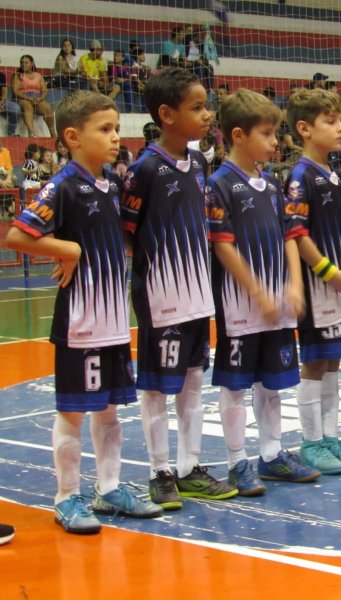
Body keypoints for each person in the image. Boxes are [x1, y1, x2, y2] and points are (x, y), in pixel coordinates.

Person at [5, 91, 163, 534]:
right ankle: (66, 497)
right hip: (81, 322)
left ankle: (109, 488)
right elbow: (17, 235)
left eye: (116, 128)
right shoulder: (63, 185)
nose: (116, 138)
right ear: (72, 137)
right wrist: (66, 247)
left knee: (110, 410)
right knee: (73, 411)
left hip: (112, 320)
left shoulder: (111, 183)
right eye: (105, 130)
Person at [121, 68, 238, 509]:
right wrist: (155, 272)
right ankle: (160, 473)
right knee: (156, 387)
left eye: (207, 106)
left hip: (198, 296)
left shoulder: (201, 163)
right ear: (166, 115)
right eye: (197, 107)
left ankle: (189, 468)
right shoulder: (144, 169)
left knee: (192, 383)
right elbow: (126, 230)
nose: (208, 115)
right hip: (161, 298)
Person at [208, 89, 321, 489]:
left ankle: (271, 453)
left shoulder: (272, 185)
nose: (276, 142)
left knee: (272, 382)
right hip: (242, 307)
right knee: (235, 384)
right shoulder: (219, 184)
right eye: (268, 133)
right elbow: (223, 246)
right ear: (238, 135)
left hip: (277, 303)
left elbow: (291, 236)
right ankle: (237, 462)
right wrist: (257, 293)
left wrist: (293, 284)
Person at [284, 88, 341, 474]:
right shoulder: (300, 177)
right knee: (316, 362)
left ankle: (332, 437)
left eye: (340, 120)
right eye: (330, 122)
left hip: (340, 281)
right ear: (304, 129)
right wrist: (328, 272)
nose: (340, 128)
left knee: (334, 362)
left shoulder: (334, 174)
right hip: (320, 286)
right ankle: (311, 441)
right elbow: (297, 234)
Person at [12, 55, 56, 137]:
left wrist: (40, 98)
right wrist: (29, 98)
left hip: (36, 98)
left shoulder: (38, 76)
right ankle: (31, 133)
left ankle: (53, 133)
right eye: (22, 62)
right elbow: (15, 91)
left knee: (47, 107)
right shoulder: (18, 75)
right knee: (27, 106)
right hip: (22, 98)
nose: (23, 64)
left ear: (32, 64)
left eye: (26, 62)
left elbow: (45, 91)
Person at [0, 58, 21, 136]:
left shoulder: (1, 76)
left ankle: (11, 133)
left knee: (16, 109)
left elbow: (4, 92)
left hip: (1, 101)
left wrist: (2, 101)